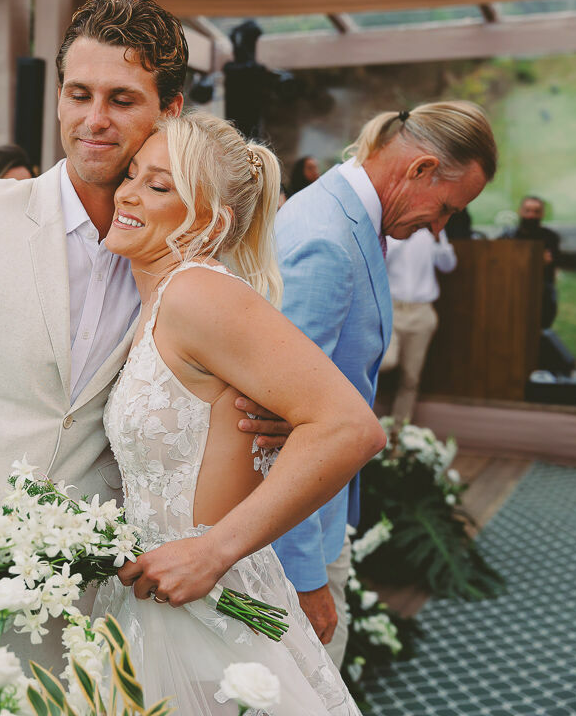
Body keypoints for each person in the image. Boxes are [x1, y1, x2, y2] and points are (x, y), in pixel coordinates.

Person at [0, 0, 289, 672]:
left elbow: (267, 406)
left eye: (122, 100)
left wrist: (270, 418)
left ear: (170, 111)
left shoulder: (193, 275)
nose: (93, 120)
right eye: (78, 94)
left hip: (76, 607)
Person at [99, 112, 378, 714]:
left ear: (212, 221)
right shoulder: (156, 297)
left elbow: (350, 428)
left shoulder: (198, 293)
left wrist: (212, 552)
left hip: (210, 600)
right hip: (160, 602)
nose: (126, 193)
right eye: (132, 174)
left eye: (159, 185)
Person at [271, 103, 496, 667]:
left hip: (322, 512)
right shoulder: (327, 237)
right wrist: (304, 575)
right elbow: (279, 427)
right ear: (420, 169)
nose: (441, 227)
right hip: (297, 539)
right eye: (446, 208)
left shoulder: (348, 216)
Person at [381, 228, 458, 421]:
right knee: (385, 362)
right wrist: (404, 234)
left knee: (410, 378)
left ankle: (398, 435)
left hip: (422, 311)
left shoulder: (434, 229)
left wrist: (440, 240)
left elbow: (448, 266)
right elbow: (381, 259)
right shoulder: (392, 228)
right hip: (391, 308)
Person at [499, 195, 560, 328]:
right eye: (527, 210)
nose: (531, 215)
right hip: (512, 291)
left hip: (541, 293)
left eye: (536, 211)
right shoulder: (509, 236)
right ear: (520, 211)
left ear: (542, 213)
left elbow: (552, 264)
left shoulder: (550, 237)